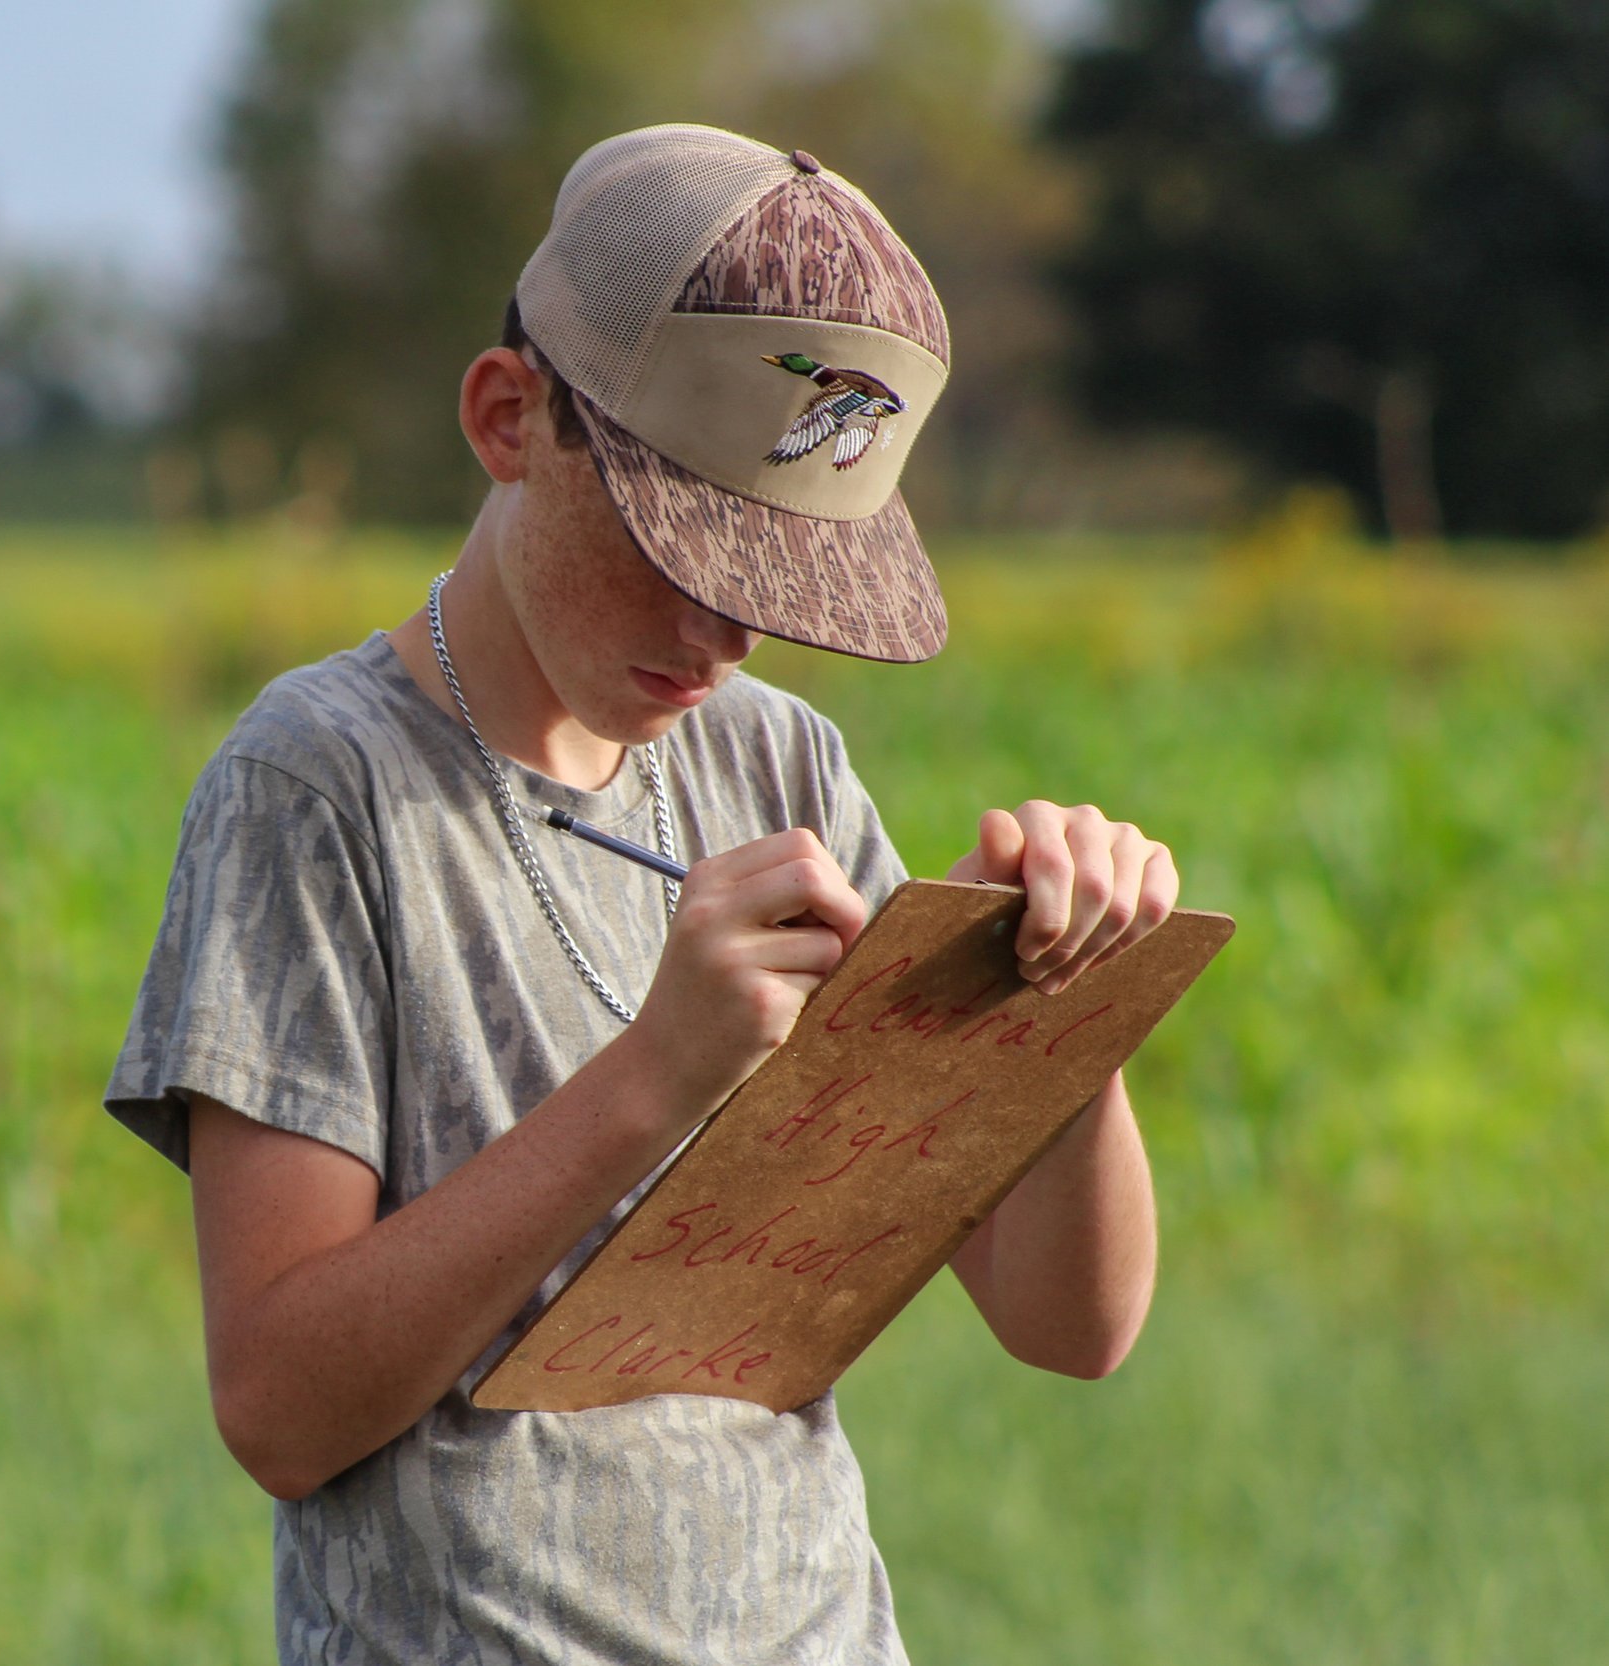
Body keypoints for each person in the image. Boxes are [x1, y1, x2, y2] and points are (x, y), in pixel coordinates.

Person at [106, 124, 1179, 1666]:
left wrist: (1066, 1019)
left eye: (777, 581)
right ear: (509, 416)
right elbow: (277, 1403)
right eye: (679, 546)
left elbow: (1069, 1325)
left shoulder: (780, 764)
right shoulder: (320, 788)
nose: (726, 634)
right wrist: (655, 1078)